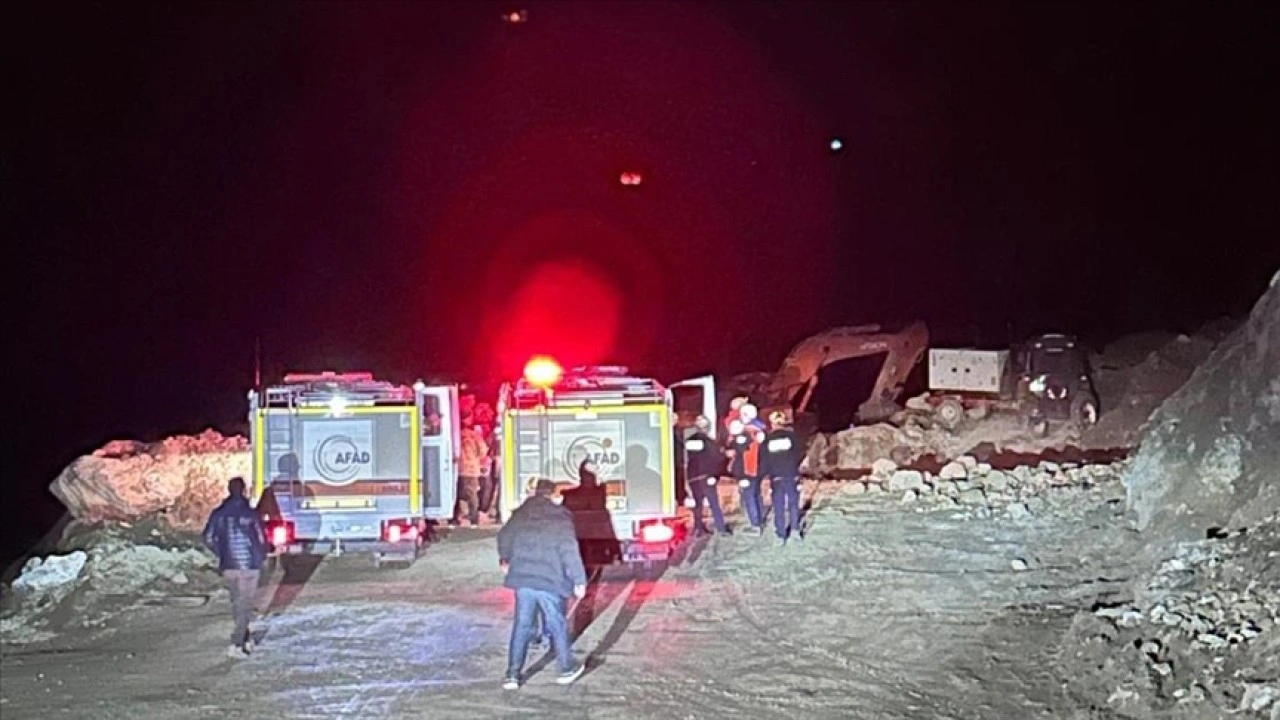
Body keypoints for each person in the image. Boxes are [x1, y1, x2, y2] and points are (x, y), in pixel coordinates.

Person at [496, 479, 587, 690]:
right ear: (554, 494)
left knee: (522, 625)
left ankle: (512, 675)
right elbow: (569, 549)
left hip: (524, 579)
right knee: (557, 623)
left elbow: (504, 536)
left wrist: (505, 558)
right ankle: (565, 669)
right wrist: (579, 580)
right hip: (550, 579)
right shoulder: (561, 516)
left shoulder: (520, 513)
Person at [202, 476, 268, 659]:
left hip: (229, 565)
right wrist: (261, 554)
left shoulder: (218, 513)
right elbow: (262, 538)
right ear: (244, 490)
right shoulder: (251, 513)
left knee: (237, 602)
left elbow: (207, 537)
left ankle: (245, 638)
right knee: (244, 604)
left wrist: (222, 553)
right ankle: (237, 642)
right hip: (250, 564)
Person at [761, 410, 805, 545]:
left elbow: (764, 460)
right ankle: (795, 530)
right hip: (790, 474)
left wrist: (767, 474)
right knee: (793, 503)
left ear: (772, 424)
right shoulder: (792, 437)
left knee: (778, 505)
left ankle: (780, 534)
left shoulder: (767, 440)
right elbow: (799, 453)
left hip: (776, 477)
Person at [684, 416, 729, 536]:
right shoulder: (709, 442)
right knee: (714, 503)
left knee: (698, 503)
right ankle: (721, 528)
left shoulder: (689, 441)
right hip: (706, 476)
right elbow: (718, 458)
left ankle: (698, 528)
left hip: (693, 476)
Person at [726, 417, 765, 534]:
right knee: (755, 496)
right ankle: (758, 520)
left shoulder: (742, 438)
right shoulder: (754, 436)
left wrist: (729, 447)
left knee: (749, 498)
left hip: (747, 473)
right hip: (755, 471)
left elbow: (736, 452)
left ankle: (755, 525)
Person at [457, 421, 489, 526]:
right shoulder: (474, 436)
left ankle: (454, 517)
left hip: (457, 468)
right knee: (472, 495)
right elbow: (483, 450)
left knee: (456, 494)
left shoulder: (456, 434)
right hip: (471, 469)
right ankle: (474, 518)